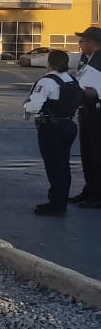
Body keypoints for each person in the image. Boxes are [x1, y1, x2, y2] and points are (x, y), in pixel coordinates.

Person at [23, 49, 82, 216]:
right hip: (69, 125)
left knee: (53, 166)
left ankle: (56, 205)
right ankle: (60, 201)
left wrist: (26, 107)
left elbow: (34, 106)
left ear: (50, 63)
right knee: (63, 165)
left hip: (51, 127)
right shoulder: (71, 79)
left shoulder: (47, 82)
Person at [73, 26, 101, 208]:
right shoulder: (86, 59)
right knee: (87, 154)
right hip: (87, 112)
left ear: (90, 42)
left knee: (97, 155)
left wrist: (96, 94)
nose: (80, 44)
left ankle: (98, 196)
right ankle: (89, 190)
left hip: (98, 112)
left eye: (82, 41)